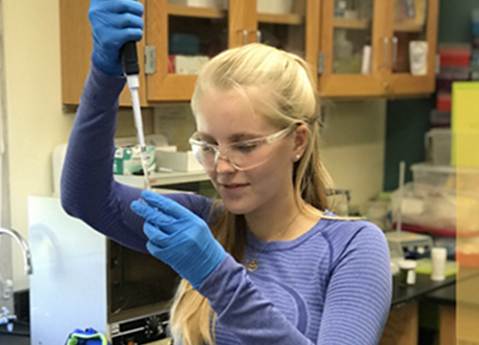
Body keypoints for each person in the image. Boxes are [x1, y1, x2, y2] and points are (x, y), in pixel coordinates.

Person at [61, 1, 392, 344]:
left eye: (245, 146)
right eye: (208, 145)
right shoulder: (205, 224)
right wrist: (103, 71)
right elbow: (86, 199)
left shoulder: (353, 247)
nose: (220, 168)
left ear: (297, 141)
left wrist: (214, 273)